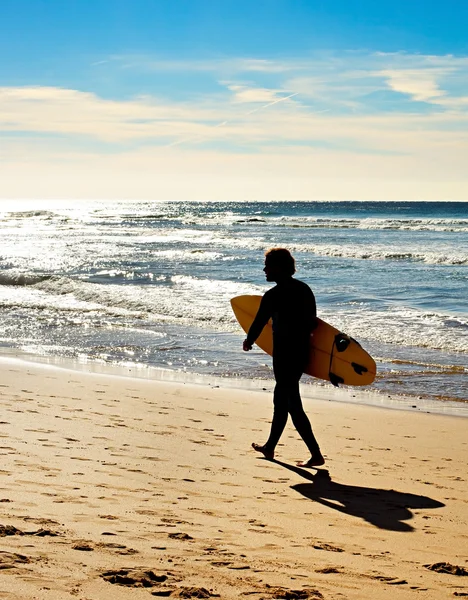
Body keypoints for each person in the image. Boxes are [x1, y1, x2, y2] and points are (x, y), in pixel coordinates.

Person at [243, 248, 325, 468]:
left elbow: (259, 321)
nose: (264, 269)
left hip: (283, 354)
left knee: (291, 403)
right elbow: (313, 323)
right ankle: (270, 447)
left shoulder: (274, 295)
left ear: (279, 267)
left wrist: (249, 341)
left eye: (268, 265)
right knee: (281, 400)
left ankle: (316, 454)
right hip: (300, 352)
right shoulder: (304, 289)